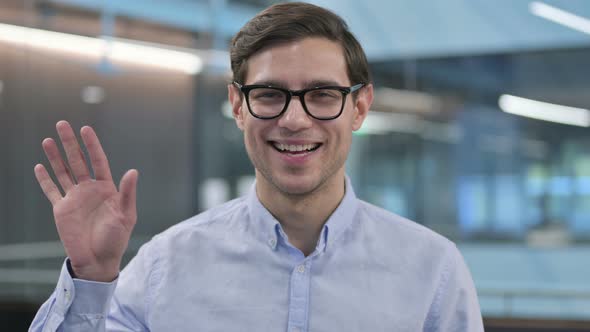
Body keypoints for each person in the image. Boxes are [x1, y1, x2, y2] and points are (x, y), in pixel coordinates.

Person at [30, 2, 484, 331]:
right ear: (238, 105)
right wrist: (90, 280)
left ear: (360, 107)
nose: (293, 119)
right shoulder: (162, 268)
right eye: (269, 94)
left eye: (323, 95)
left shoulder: (432, 271)